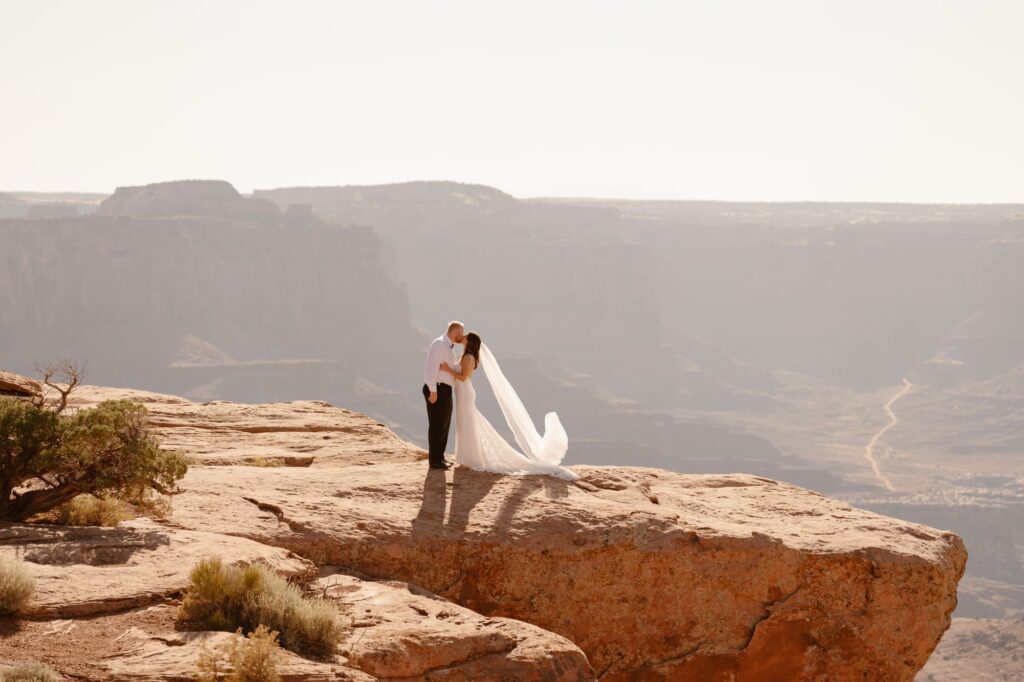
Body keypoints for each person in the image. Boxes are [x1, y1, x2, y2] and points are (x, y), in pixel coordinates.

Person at [440, 331, 577, 480]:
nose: (463, 337)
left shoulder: (467, 357)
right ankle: (467, 456)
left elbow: (463, 377)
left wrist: (447, 370)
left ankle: (471, 458)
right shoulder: (465, 356)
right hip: (462, 393)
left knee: (467, 421)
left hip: (465, 393)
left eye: (465, 337)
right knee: (464, 422)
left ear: (470, 342)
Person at [422, 321, 465, 469]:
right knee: (436, 425)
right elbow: (430, 369)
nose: (462, 336)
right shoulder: (439, 345)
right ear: (455, 332)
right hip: (437, 389)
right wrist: (433, 390)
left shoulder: (448, 347)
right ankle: (434, 461)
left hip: (445, 390)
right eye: (461, 333)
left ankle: (440, 457)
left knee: (444, 425)